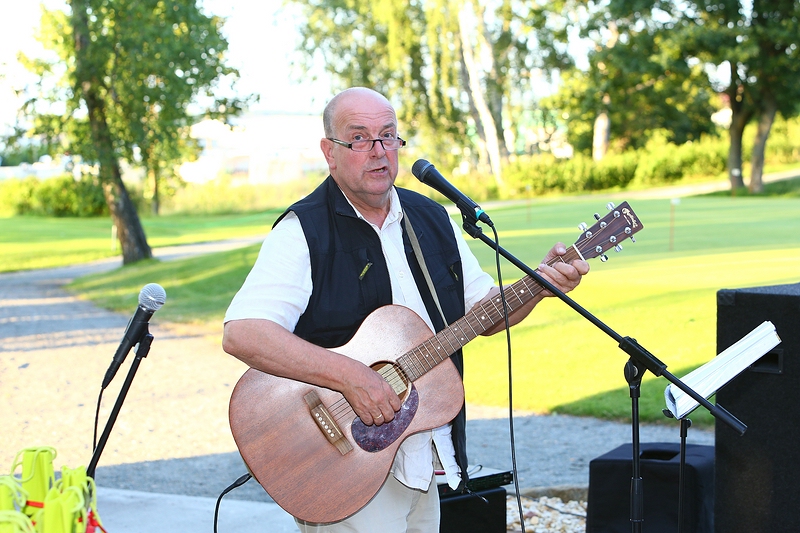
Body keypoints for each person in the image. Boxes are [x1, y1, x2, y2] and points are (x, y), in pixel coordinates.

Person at [222, 87, 589, 532]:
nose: (378, 151)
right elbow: (243, 333)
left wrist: (536, 287)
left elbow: (482, 311)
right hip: (344, 468)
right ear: (329, 151)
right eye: (359, 138)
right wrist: (351, 376)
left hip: (424, 456)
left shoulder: (431, 217)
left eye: (388, 135)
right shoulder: (304, 230)